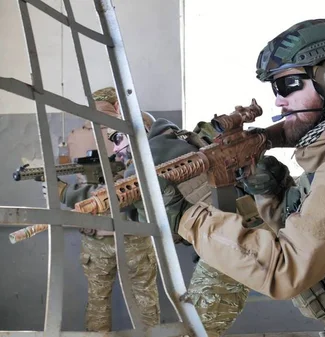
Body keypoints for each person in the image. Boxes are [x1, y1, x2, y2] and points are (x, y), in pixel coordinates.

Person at [137, 16, 325, 336]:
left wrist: (188, 218)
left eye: (287, 84)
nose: (278, 100)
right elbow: (311, 236)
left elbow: (286, 271)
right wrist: (272, 193)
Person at [55, 87, 254, 335]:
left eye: (118, 139)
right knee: (156, 308)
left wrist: (65, 193)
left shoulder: (147, 162)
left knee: (198, 326)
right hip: (232, 236)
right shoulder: (179, 139)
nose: (115, 148)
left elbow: (118, 201)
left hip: (231, 245)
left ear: (140, 133)